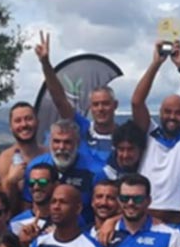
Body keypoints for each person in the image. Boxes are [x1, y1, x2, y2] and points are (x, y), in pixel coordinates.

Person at [131, 40, 180, 224]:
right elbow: (136, 102)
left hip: (179, 220)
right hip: (147, 217)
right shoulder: (150, 132)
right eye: (168, 112)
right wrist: (156, 64)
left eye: (178, 113)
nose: (172, 117)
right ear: (160, 113)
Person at [35, 30, 121, 163]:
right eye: (96, 104)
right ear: (90, 107)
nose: (100, 108)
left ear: (115, 105)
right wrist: (46, 64)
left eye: (105, 103)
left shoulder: (124, 135)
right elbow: (59, 100)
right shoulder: (82, 128)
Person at [22, 120, 104, 224]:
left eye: (67, 142)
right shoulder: (35, 167)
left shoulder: (95, 171)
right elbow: (27, 204)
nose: (61, 147)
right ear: (50, 142)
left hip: (82, 230)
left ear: (77, 143)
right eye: (57, 141)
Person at [0, 101, 46, 212]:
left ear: (38, 121)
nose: (24, 124)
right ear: (11, 127)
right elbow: (3, 208)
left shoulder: (49, 155)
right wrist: (10, 182)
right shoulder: (4, 160)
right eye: (18, 121)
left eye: (28, 119)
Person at [10, 162, 56, 241]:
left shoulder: (67, 221)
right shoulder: (16, 223)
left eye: (42, 182)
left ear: (56, 185)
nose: (36, 187)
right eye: (32, 183)